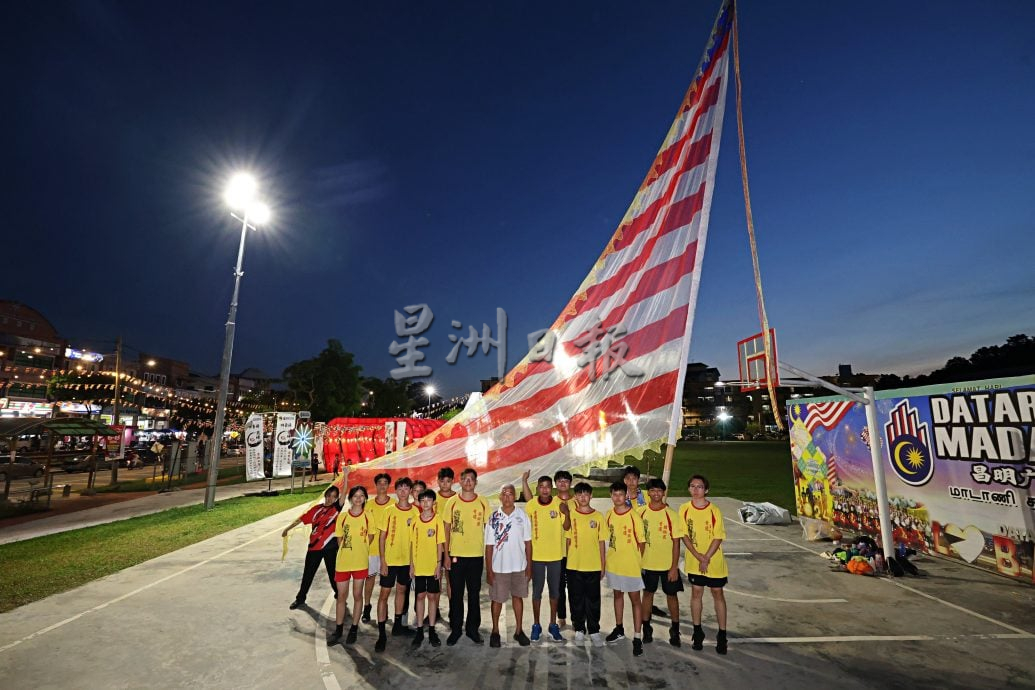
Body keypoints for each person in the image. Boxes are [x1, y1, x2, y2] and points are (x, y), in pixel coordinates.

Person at [680, 474, 729, 655]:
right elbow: (684, 535)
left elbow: (718, 536)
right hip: (695, 560)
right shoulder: (684, 509)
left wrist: (706, 557)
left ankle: (722, 635)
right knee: (696, 593)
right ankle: (697, 631)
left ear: (706, 490)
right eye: (692, 486)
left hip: (713, 560)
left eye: (699, 486)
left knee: (717, 593)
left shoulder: (714, 510)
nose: (695, 489)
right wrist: (697, 556)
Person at [520, 470, 569, 642]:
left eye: (548, 487)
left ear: (552, 488)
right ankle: (536, 625)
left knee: (555, 593)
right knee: (537, 593)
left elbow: (568, 527)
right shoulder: (533, 504)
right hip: (537, 557)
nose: (545, 489)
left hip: (555, 557)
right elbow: (527, 498)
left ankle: (553, 625)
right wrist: (524, 480)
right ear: (538, 489)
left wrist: (567, 512)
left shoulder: (558, 503)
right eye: (541, 487)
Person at [443, 468, 490, 646]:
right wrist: (447, 555)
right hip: (456, 556)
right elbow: (446, 530)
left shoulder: (483, 502)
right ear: (460, 482)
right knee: (456, 594)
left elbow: (489, 529)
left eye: (471, 479)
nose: (468, 482)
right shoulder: (452, 502)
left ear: (476, 482)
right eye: (465, 479)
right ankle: (456, 629)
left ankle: (472, 630)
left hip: (476, 556)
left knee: (474, 594)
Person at [638, 478, 686, 646]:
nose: (656, 494)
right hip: (647, 564)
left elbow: (676, 542)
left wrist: (674, 567)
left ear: (664, 492)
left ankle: (674, 629)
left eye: (659, 491)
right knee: (647, 595)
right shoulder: (641, 512)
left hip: (667, 566)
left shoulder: (671, 514)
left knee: (671, 596)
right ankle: (646, 628)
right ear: (648, 493)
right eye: (653, 491)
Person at [485, 483, 532, 648]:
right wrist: (489, 571)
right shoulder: (493, 518)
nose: (507, 497)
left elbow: (528, 543)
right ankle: (495, 631)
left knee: (518, 598)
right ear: (499, 497)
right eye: (503, 494)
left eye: (510, 494)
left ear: (515, 496)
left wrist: (529, 567)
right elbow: (489, 547)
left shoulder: (523, 516)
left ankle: (519, 631)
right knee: (497, 600)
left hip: (519, 567)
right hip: (499, 568)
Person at [283, 485, 342, 610]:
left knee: (333, 573)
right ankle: (300, 598)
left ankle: (338, 593)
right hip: (314, 548)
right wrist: (288, 528)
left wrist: (346, 477)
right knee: (308, 574)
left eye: (334, 497)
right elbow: (301, 519)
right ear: (325, 495)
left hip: (330, 548)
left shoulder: (336, 509)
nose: (330, 499)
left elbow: (345, 494)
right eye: (329, 495)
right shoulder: (316, 509)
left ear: (337, 498)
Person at [604, 481, 646, 656]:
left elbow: (642, 543)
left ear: (626, 495)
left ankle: (637, 636)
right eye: (614, 494)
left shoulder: (634, 516)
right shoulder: (608, 515)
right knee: (617, 595)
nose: (617, 497)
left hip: (631, 567)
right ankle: (619, 628)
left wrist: (635, 561)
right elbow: (607, 538)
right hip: (613, 564)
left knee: (635, 600)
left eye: (621, 494)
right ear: (611, 496)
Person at [375, 477, 417, 652]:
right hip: (390, 561)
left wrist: (413, 564)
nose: (403, 491)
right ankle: (381, 634)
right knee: (384, 594)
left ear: (410, 491)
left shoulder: (415, 512)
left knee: (401, 591)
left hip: (406, 562)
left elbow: (416, 539)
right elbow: (382, 537)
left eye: (406, 488)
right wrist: (383, 560)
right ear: (396, 490)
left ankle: (398, 625)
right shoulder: (389, 511)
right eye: (400, 488)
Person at [327, 486, 371, 646]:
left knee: (358, 595)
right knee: (341, 596)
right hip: (343, 562)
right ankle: (338, 629)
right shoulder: (343, 516)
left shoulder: (368, 516)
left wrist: (360, 550)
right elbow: (340, 540)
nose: (358, 499)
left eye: (361, 496)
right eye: (355, 496)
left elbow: (370, 537)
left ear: (365, 498)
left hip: (360, 562)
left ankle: (353, 628)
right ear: (350, 498)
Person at [565, 481, 606, 647]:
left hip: (593, 565)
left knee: (593, 599)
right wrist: (568, 562)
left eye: (586, 494)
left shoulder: (598, 517)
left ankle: (594, 630)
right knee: (576, 599)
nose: (583, 497)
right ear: (575, 497)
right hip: (574, 566)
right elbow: (568, 541)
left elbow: (602, 542)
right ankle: (579, 629)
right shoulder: (571, 515)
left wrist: (603, 565)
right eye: (579, 494)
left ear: (591, 496)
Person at [409, 489, 445, 649]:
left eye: (428, 500)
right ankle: (419, 630)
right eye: (422, 500)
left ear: (433, 503)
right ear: (419, 502)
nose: (425, 503)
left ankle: (431, 630)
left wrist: (439, 564)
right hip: (419, 566)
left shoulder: (437, 520)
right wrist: (412, 564)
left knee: (432, 596)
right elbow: (411, 544)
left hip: (432, 566)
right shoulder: (415, 521)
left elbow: (440, 544)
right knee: (419, 597)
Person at [362, 473, 393, 623]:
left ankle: (383, 611)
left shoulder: (394, 504)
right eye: (379, 482)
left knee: (386, 584)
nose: (382, 485)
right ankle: (366, 606)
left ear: (389, 485)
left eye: (385, 482)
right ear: (376, 485)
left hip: (389, 552)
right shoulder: (368, 505)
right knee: (370, 580)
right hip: (372, 550)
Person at [553, 469, 575, 630]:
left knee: (575, 588)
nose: (562, 483)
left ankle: (576, 618)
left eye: (566, 481)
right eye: (559, 480)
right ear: (555, 484)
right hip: (557, 552)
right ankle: (561, 617)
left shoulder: (578, 501)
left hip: (575, 552)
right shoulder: (550, 501)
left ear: (570, 483)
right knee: (559, 587)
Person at [435, 467, 457, 612]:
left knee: (452, 580)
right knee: (436, 579)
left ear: (453, 482)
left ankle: (452, 611)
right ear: (438, 482)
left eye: (448, 481)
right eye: (442, 481)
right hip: (436, 545)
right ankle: (434, 610)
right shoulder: (433, 498)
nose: (445, 484)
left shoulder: (458, 498)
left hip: (453, 545)